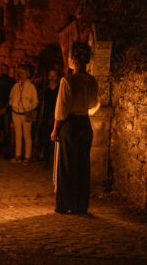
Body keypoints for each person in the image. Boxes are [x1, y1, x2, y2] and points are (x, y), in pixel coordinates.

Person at [51, 41, 100, 214]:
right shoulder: (92, 81)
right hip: (85, 124)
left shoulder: (68, 81)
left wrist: (55, 129)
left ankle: (65, 204)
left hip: (70, 125)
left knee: (67, 166)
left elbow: (61, 109)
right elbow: (95, 105)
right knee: (82, 165)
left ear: (73, 59)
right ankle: (81, 205)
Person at [9, 65, 38, 163]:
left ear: (27, 74)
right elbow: (11, 96)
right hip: (16, 112)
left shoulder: (31, 87)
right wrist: (12, 105)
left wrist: (29, 108)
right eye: (20, 73)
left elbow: (35, 101)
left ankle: (27, 156)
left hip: (27, 113)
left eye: (23, 73)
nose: (21, 74)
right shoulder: (16, 86)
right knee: (18, 134)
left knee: (27, 135)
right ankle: (18, 155)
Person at [0, 64, 15, 159]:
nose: (3, 71)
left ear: (8, 70)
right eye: (2, 69)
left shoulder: (11, 81)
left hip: (6, 109)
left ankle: (7, 153)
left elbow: (12, 95)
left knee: (6, 131)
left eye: (5, 69)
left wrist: (6, 107)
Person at [38, 69, 60, 164]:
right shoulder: (45, 90)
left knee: (57, 138)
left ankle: (56, 159)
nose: (51, 77)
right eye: (50, 75)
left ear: (57, 77)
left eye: (53, 75)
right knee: (45, 137)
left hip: (57, 116)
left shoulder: (59, 90)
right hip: (46, 117)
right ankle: (46, 158)